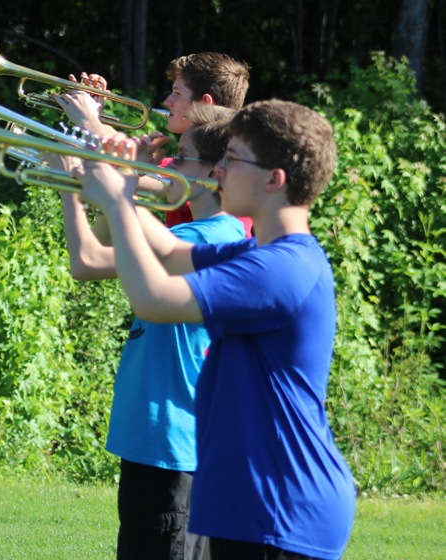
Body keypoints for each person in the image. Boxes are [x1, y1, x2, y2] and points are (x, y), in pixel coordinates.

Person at [76, 99, 356, 560]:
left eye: (234, 158)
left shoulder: (280, 269)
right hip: (250, 502)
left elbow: (153, 297)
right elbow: (166, 251)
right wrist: (119, 181)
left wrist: (117, 197)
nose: (220, 169)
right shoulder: (257, 253)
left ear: (274, 179)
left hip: (279, 507)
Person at [54, 104, 244, 560]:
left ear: (211, 174)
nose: (167, 166)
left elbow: (85, 261)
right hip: (158, 443)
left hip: (172, 446)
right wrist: (93, 184)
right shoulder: (198, 233)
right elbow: (96, 252)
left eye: (179, 157)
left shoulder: (209, 239)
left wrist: (75, 182)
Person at [56, 51, 252, 234]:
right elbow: (126, 157)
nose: (167, 101)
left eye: (177, 93)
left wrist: (89, 122)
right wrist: (94, 120)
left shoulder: (200, 169)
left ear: (205, 103)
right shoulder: (192, 161)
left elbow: (125, 173)